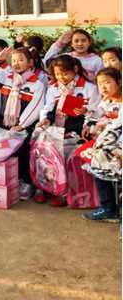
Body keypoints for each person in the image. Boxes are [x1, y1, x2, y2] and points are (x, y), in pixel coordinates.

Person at [35, 55, 99, 206]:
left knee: (66, 157)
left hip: (78, 131)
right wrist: (45, 119)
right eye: (57, 74)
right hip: (56, 128)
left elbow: (97, 110)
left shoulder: (89, 88)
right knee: (43, 154)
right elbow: (48, 109)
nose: (61, 77)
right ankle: (47, 188)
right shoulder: (53, 88)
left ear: (75, 70)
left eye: (65, 73)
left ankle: (64, 194)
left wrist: (85, 110)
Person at [0, 47, 47, 200]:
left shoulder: (36, 84)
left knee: (22, 153)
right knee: (1, 149)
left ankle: (26, 182)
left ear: (30, 62)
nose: (16, 63)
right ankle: (6, 178)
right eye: (13, 60)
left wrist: (22, 124)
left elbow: (36, 106)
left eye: (20, 60)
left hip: (23, 125)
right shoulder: (7, 79)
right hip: (6, 122)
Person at [81, 68, 122, 222]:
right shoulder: (106, 101)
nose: (103, 87)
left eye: (107, 82)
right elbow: (96, 117)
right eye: (100, 84)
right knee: (97, 168)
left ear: (119, 82)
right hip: (107, 146)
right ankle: (108, 208)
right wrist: (91, 126)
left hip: (118, 147)